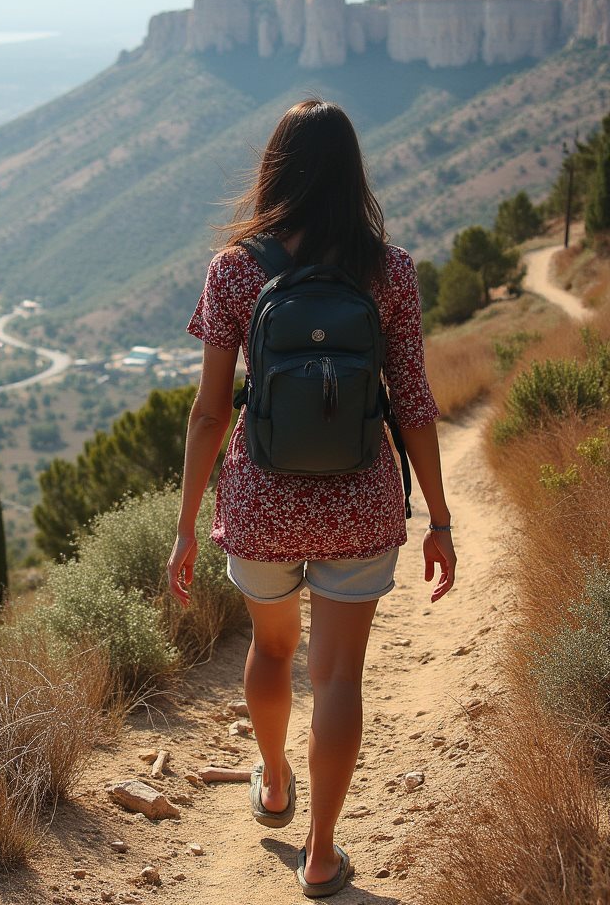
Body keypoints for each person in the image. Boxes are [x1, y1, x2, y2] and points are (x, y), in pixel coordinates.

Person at [165, 99, 456, 899]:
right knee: (337, 677)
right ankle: (323, 853)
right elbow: (416, 403)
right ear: (353, 173)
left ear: (276, 170)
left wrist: (187, 527)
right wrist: (439, 518)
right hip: (361, 502)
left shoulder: (233, 270)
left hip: (260, 503)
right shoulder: (389, 269)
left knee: (272, 651)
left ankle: (273, 773)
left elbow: (210, 412)